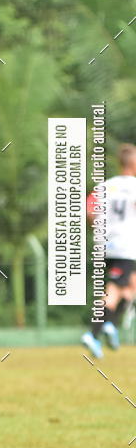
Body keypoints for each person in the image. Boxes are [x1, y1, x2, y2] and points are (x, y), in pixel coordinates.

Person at [82, 143, 136, 359]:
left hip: (105, 244)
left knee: (130, 286)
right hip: (126, 247)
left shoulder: (105, 186)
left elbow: (89, 211)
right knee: (113, 290)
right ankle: (94, 333)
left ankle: (109, 327)